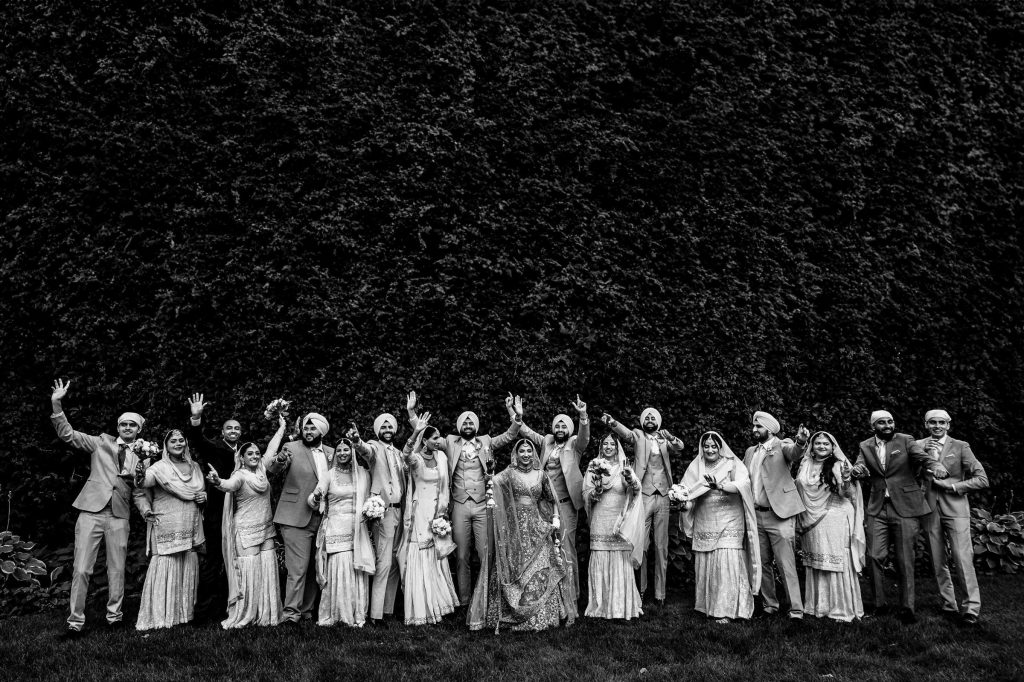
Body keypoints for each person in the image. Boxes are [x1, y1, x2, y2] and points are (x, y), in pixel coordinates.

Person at [48, 378, 148, 636]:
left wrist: (146, 510)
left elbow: (138, 491)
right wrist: (56, 404)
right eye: (123, 424)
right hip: (91, 511)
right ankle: (75, 622)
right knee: (81, 568)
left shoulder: (143, 457)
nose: (127, 428)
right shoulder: (101, 442)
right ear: (118, 427)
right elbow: (68, 435)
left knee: (116, 569)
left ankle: (115, 617)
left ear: (138, 430)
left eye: (132, 425)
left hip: (119, 515)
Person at [406, 391, 521, 605]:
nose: (468, 424)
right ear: (460, 426)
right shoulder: (449, 442)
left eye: (471, 421)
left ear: (476, 425)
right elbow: (425, 434)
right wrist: (412, 414)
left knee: (485, 552)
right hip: (459, 505)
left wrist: (514, 414)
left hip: (482, 505)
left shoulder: (486, 441)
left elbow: (509, 436)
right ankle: (465, 599)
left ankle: (486, 595)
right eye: (464, 421)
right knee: (461, 556)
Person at [467, 438, 576, 632]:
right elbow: (492, 483)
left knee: (541, 564)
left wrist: (556, 518)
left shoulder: (541, 475)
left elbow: (551, 499)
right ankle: (510, 610)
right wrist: (489, 475)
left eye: (528, 451)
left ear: (533, 453)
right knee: (512, 563)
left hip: (536, 526)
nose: (525, 455)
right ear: (515, 454)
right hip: (513, 527)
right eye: (521, 451)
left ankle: (541, 613)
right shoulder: (509, 473)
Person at [852, 409, 948, 624]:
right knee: (874, 556)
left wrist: (936, 464)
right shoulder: (865, 445)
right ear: (873, 426)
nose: (887, 425)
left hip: (905, 507)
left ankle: (907, 608)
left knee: (905, 559)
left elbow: (921, 457)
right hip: (878, 508)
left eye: (890, 421)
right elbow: (860, 464)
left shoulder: (905, 440)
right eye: (882, 423)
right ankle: (880, 605)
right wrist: (858, 470)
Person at [205, 414, 288, 629]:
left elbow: (272, 448)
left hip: (266, 530)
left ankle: (267, 614)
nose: (254, 455)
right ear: (241, 457)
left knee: (268, 570)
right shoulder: (240, 475)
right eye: (249, 453)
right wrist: (217, 481)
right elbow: (228, 485)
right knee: (249, 572)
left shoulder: (262, 471)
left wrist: (282, 427)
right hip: (245, 531)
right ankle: (246, 614)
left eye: (256, 453)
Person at [510, 394, 589, 602]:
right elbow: (524, 431)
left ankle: (571, 596)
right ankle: (551, 597)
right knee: (546, 549)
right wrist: (514, 413)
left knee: (566, 548)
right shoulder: (547, 441)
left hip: (566, 505)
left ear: (569, 430)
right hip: (544, 505)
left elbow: (584, 437)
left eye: (564, 427)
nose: (560, 430)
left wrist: (583, 417)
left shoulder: (574, 445)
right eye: (558, 426)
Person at [602, 408, 684, 606]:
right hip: (644, 495)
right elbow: (627, 434)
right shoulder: (638, 436)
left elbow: (679, 446)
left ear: (658, 421)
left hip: (663, 496)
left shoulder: (665, 439)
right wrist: (613, 422)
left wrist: (671, 437)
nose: (649, 419)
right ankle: (641, 589)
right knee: (642, 544)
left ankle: (660, 594)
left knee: (661, 545)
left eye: (653, 417)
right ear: (642, 421)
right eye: (646, 417)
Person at [916, 409, 988, 625]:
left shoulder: (960, 446)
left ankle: (971, 608)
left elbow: (982, 479)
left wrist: (953, 486)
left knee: (962, 557)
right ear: (926, 425)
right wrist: (922, 460)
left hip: (956, 509)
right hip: (929, 509)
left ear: (948, 425)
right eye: (932, 423)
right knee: (938, 560)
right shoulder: (918, 445)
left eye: (941, 422)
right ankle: (949, 604)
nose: (937, 426)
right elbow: (909, 475)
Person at [679, 431, 760, 623]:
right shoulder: (695, 467)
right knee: (708, 561)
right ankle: (707, 606)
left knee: (726, 561)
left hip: (730, 519)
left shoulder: (732, 464)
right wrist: (682, 503)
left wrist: (720, 486)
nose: (709, 449)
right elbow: (688, 495)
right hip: (706, 520)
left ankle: (727, 609)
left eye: (713, 446)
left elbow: (743, 484)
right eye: (706, 446)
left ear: (720, 447)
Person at [134, 429, 208, 630]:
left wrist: (203, 497)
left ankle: (185, 614)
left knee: (187, 563)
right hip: (167, 522)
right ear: (165, 446)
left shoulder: (195, 467)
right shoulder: (159, 467)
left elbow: (199, 491)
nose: (177, 443)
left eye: (181, 440)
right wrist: (140, 466)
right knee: (167, 563)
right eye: (173, 441)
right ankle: (161, 616)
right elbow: (143, 481)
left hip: (190, 521)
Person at [267, 412, 335, 624]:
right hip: (295, 517)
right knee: (297, 569)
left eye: (313, 428)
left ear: (322, 431)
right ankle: (290, 614)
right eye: (306, 428)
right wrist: (279, 460)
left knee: (316, 567)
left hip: (324, 519)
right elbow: (273, 469)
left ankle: (306, 611)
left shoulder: (332, 453)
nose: (308, 431)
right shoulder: (291, 448)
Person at [742, 411, 807, 619]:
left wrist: (802, 441)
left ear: (769, 429)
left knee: (785, 563)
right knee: (762, 563)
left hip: (780, 515)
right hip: (756, 515)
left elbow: (795, 452)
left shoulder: (783, 445)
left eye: (758, 427)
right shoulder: (750, 451)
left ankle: (796, 609)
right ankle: (770, 605)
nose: (754, 430)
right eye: (754, 426)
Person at [794, 432, 865, 622]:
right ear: (812, 445)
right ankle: (818, 606)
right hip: (811, 518)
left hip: (835, 515)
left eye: (826, 443)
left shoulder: (837, 464)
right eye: (818, 443)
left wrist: (847, 479)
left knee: (835, 562)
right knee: (817, 560)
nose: (822, 446)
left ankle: (841, 609)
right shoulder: (805, 463)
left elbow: (845, 493)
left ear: (833, 446)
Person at [396, 413, 459, 625]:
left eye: (439, 437)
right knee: (421, 551)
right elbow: (405, 455)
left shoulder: (442, 457)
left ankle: (440, 603)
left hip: (438, 512)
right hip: (419, 513)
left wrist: (443, 512)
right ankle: (421, 607)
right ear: (424, 440)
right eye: (434, 438)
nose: (438, 441)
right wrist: (415, 431)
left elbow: (445, 486)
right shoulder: (416, 459)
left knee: (436, 553)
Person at [186, 392, 243, 620]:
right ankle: (204, 612)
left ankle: (233, 606)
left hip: (243, 512)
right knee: (214, 561)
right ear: (222, 432)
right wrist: (196, 417)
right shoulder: (214, 448)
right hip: (217, 513)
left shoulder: (246, 451)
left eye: (236, 429)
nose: (233, 432)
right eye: (229, 428)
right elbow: (196, 439)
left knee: (238, 560)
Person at [347, 411, 406, 622]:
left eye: (390, 427)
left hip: (401, 510)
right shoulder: (374, 447)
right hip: (384, 513)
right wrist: (356, 441)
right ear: (377, 430)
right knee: (383, 562)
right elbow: (366, 451)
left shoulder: (399, 453)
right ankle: (375, 614)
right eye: (383, 427)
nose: (387, 430)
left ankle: (387, 610)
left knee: (395, 562)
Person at [312, 438, 375, 627]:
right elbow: (316, 494)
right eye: (338, 450)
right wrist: (316, 496)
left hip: (357, 528)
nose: (342, 453)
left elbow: (371, 496)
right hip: (336, 527)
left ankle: (356, 613)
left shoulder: (362, 473)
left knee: (355, 569)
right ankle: (337, 613)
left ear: (352, 451)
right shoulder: (329, 475)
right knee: (339, 567)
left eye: (345, 449)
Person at [583, 433, 645, 620]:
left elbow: (636, 489)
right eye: (605, 444)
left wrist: (630, 478)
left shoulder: (625, 467)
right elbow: (585, 492)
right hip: (600, 519)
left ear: (617, 448)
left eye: (612, 444)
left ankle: (620, 606)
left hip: (619, 519)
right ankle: (600, 606)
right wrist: (594, 493)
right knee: (601, 555)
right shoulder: (593, 467)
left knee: (620, 559)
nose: (609, 447)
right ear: (601, 447)